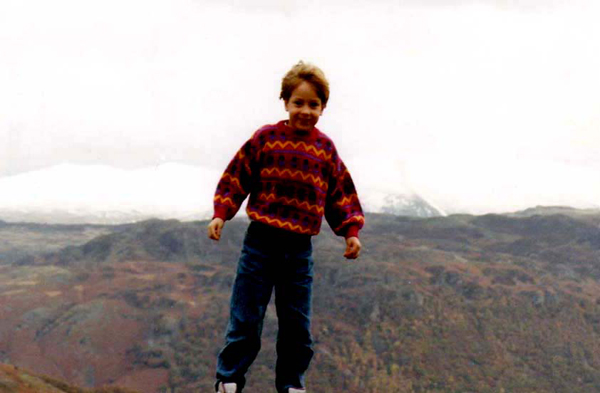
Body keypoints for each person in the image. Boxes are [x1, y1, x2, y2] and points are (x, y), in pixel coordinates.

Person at [207, 61, 365, 393]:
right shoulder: (266, 139)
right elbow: (238, 176)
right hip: (260, 245)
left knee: (297, 328)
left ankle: (292, 386)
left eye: (313, 104)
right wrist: (222, 212)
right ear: (285, 101)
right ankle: (229, 381)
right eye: (298, 102)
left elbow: (341, 193)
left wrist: (350, 232)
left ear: (323, 107)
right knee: (245, 320)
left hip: (298, 251)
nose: (305, 111)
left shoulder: (325, 150)